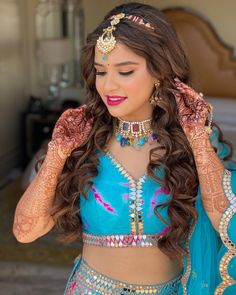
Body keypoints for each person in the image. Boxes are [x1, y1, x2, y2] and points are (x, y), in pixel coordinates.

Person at [12, 2, 236, 294]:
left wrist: (197, 140)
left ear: (159, 71)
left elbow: (227, 225)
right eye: (101, 71)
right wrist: (57, 151)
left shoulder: (193, 143)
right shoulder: (83, 142)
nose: (108, 86)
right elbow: (25, 231)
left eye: (125, 71)